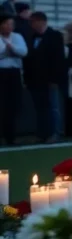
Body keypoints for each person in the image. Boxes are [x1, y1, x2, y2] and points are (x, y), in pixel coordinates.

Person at [24, 12, 66, 143]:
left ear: (42, 21)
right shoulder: (31, 37)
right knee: (40, 107)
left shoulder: (55, 36)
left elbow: (58, 59)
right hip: (34, 79)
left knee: (53, 107)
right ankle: (43, 133)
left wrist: (54, 79)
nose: (31, 24)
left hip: (50, 79)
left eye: (33, 21)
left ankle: (56, 132)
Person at [0, 14, 28, 145]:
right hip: (2, 73)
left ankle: (11, 136)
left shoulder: (17, 37)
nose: (9, 26)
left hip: (14, 73)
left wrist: (12, 49)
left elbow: (23, 52)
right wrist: (7, 51)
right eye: (6, 23)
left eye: (11, 24)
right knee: (3, 104)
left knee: (14, 104)